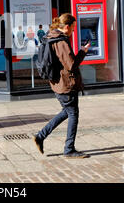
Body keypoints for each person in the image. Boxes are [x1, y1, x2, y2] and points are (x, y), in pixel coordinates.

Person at [33, 13, 91, 158]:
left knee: (67, 111)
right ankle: (69, 149)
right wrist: (82, 52)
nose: (73, 30)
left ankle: (40, 136)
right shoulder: (61, 42)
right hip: (66, 84)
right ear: (66, 27)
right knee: (72, 114)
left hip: (58, 83)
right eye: (73, 27)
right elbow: (71, 65)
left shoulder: (51, 36)